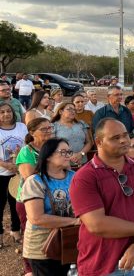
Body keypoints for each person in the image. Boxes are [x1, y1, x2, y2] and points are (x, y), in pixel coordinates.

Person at [70, 118, 134, 275]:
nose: (123, 141)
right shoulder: (85, 177)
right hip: (102, 262)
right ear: (98, 142)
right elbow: (97, 224)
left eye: (125, 135)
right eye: (115, 138)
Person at [22, 138, 79, 275]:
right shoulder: (35, 181)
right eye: (63, 152)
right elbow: (37, 218)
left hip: (70, 242)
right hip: (42, 247)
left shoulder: (75, 177)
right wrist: (74, 221)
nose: (68, 156)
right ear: (48, 156)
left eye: (69, 152)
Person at [15, 118, 54, 276]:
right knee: (30, 233)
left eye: (49, 128)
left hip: (51, 198)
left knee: (49, 232)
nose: (49, 131)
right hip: (29, 200)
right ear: (32, 133)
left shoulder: (53, 147)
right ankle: (29, 268)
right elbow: (29, 176)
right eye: (44, 129)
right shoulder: (27, 151)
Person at [0, 103, 26, 248]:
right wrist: (6, 164)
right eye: (2, 112)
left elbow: (27, 145)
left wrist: (20, 165)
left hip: (19, 172)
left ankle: (16, 231)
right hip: (1, 172)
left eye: (8, 111)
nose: (6, 114)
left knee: (16, 203)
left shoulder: (22, 127)